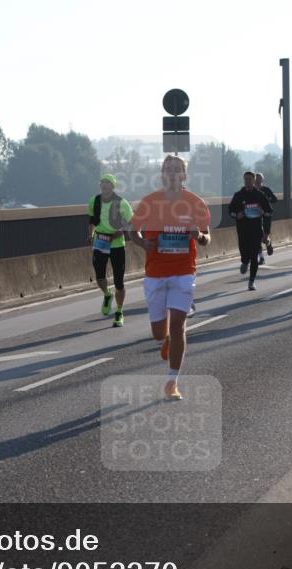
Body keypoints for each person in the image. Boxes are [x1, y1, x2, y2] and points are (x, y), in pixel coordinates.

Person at [130, 155, 212, 400]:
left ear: (184, 175)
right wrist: (144, 244)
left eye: (177, 169)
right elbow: (132, 232)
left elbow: (207, 238)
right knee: (159, 332)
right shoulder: (149, 202)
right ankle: (165, 339)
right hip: (155, 273)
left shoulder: (195, 203)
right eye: (168, 169)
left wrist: (198, 236)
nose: (173, 173)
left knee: (178, 325)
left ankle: (172, 382)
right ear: (162, 174)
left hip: (183, 272)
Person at [87, 174, 134, 327]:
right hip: (100, 243)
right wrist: (90, 234)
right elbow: (92, 221)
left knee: (119, 282)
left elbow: (132, 222)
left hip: (117, 245)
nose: (104, 185)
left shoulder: (121, 202)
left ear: (113, 186)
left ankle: (119, 312)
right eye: (102, 182)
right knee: (99, 277)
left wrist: (121, 231)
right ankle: (107, 294)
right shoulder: (94, 201)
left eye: (108, 182)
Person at [229, 171, 274, 291]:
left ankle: (251, 281)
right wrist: (237, 215)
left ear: (254, 181)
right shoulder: (238, 195)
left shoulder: (260, 195)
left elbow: (269, 212)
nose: (248, 181)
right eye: (246, 179)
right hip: (243, 230)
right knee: (245, 253)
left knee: (254, 256)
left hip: (256, 230)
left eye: (250, 179)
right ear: (243, 181)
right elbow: (230, 211)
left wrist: (262, 213)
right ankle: (244, 261)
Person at [254, 172, 278, 263]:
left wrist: (266, 200)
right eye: (256, 178)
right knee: (257, 237)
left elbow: (275, 199)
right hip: (256, 216)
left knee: (264, 238)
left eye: (259, 178)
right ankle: (261, 257)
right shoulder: (252, 191)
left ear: (262, 180)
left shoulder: (266, 190)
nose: (257, 180)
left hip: (267, 214)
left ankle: (268, 243)